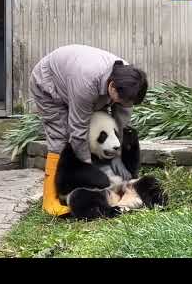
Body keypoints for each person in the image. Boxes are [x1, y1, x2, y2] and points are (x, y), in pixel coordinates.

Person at [29, 44, 148, 216]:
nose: (126, 105)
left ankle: (80, 185)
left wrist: (117, 153)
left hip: (78, 77)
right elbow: (78, 130)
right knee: (61, 136)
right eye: (122, 101)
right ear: (112, 87)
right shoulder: (85, 83)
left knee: (100, 127)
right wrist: (90, 171)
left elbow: (119, 122)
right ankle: (50, 199)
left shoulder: (129, 82)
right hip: (49, 84)